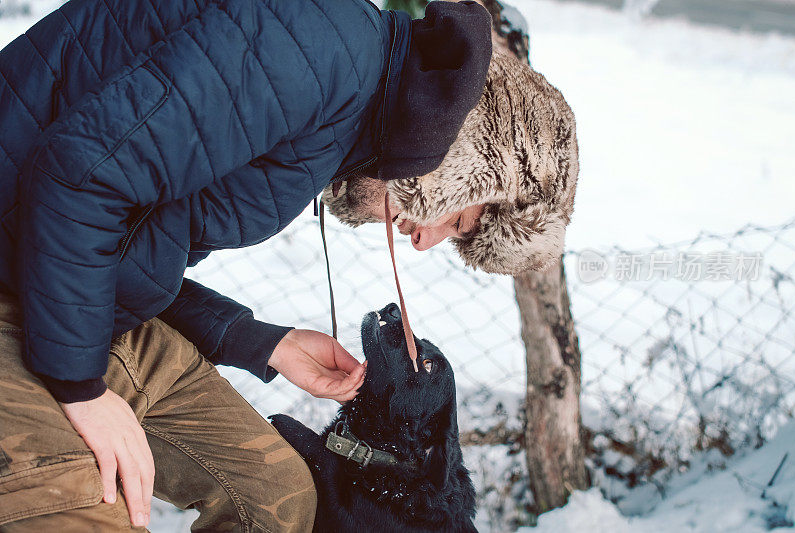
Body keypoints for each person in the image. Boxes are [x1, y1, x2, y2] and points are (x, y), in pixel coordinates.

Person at [0, 0, 578, 530]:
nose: (426, 242)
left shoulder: (343, 112)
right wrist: (82, 391)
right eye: (458, 223)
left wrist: (258, 341)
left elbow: (126, 241)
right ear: (469, 161)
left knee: (277, 500)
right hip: (22, 281)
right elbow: (78, 176)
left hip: (71, 295)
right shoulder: (314, 55)